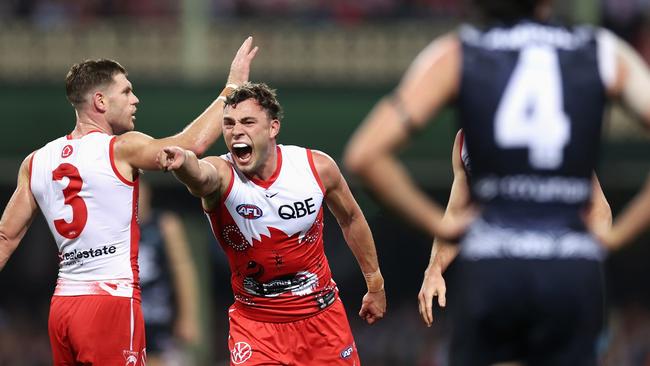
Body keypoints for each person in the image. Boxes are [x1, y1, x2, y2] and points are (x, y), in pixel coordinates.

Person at [344, 0, 650, 364]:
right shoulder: (600, 51)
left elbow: (365, 155)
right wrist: (615, 237)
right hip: (567, 270)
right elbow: (600, 213)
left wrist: (438, 233)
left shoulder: (457, 53)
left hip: (494, 266)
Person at [0, 37, 258, 365]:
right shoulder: (121, 148)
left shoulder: (36, 161)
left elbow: (5, 237)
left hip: (63, 305)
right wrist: (233, 86)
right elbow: (191, 145)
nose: (135, 99)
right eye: (126, 91)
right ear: (100, 101)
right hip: (110, 303)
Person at [157, 82, 386, 365]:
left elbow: (351, 218)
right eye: (228, 123)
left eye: (248, 122)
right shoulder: (223, 173)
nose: (236, 130)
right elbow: (200, 176)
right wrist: (184, 163)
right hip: (256, 328)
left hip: (322, 322)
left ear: (273, 128)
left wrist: (375, 284)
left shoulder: (317, 168)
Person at [416, 129, 613, 327]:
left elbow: (599, 212)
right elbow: (456, 216)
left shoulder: (551, 127)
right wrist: (435, 268)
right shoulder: (466, 140)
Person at [138, 180, 200, 366]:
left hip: (160, 314)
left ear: (147, 194)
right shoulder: (115, 230)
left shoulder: (165, 224)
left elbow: (184, 272)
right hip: (129, 318)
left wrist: (188, 317)